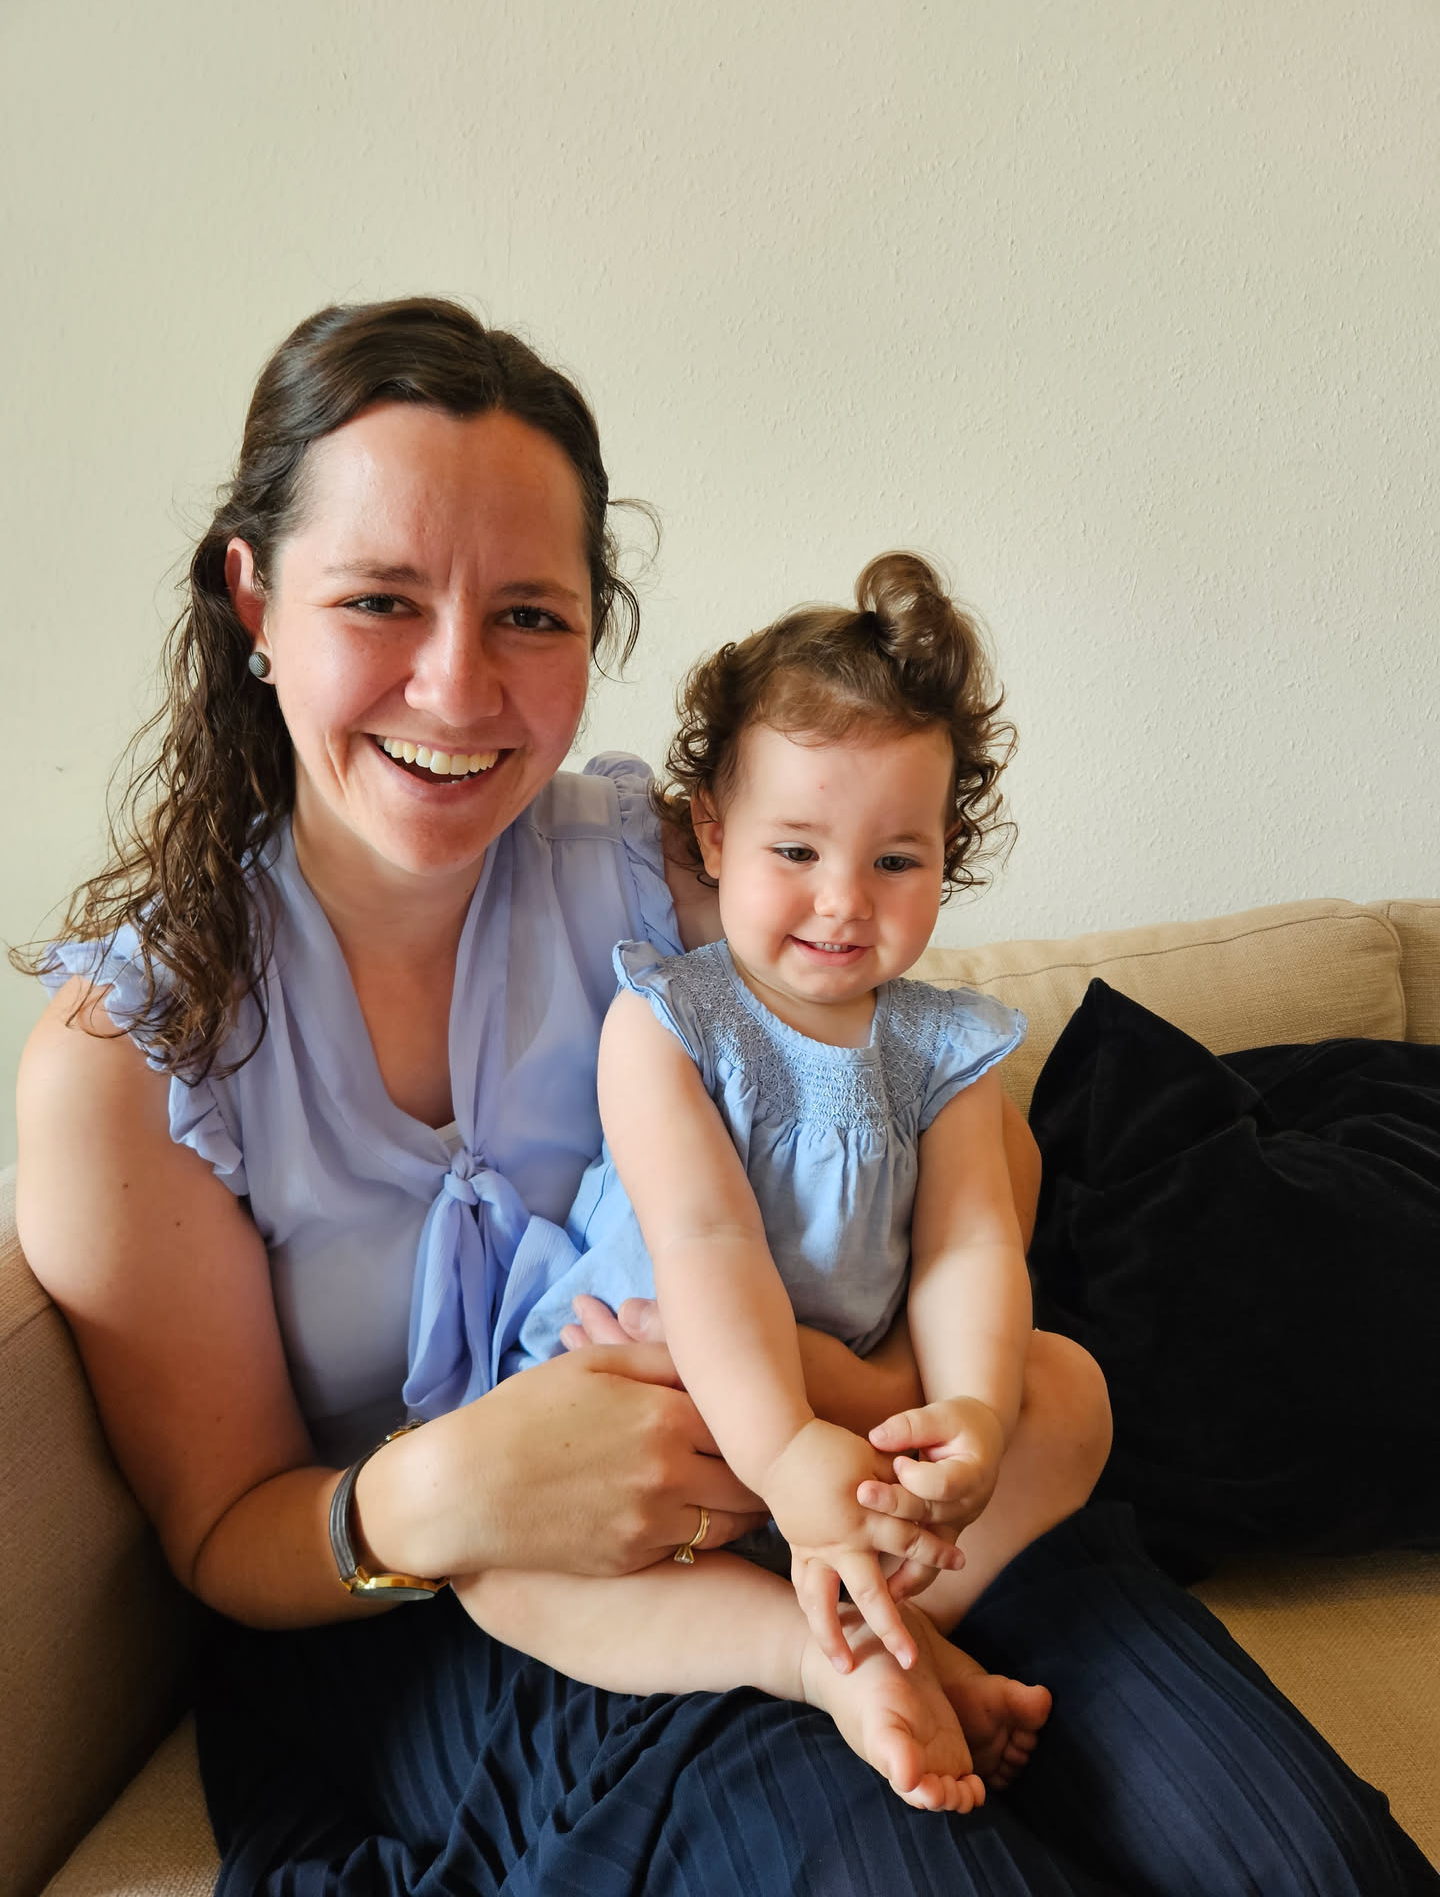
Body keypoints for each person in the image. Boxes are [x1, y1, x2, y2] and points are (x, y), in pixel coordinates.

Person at [13, 297, 1436, 1896]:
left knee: (1317, 1867)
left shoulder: (671, 873)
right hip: (476, 1611)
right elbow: (224, 1539)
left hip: (859, 1475)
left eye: (531, 616)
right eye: (380, 600)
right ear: (255, 600)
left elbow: (937, 1122)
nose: (458, 687)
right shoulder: (133, 1059)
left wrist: (870, 1402)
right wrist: (443, 1489)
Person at [415, 553, 1095, 1814]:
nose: (844, 902)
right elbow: (705, 1242)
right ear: (715, 837)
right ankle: (817, 1655)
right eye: (797, 849)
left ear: (947, 853)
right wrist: (782, 1453)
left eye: (897, 861)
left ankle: (876, 1605)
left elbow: (969, 1248)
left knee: (1071, 1395)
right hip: (661, 1396)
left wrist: (974, 1416)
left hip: (854, 1429)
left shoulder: (945, 1051)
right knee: (497, 1573)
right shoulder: (668, 1022)